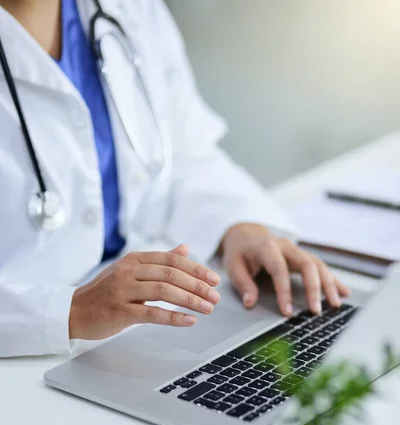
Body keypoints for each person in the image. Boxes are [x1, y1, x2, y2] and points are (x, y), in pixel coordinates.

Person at [0, 0, 350, 358]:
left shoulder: (131, 9)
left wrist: (241, 226)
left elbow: (184, 151)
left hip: (134, 329)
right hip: (22, 361)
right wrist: (70, 312)